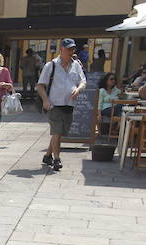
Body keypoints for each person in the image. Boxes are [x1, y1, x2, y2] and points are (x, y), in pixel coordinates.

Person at [37, 38, 86, 172]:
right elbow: (40, 86)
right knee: (57, 131)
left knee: (58, 133)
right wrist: (46, 100)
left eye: (73, 49)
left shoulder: (76, 65)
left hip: (69, 104)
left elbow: (83, 81)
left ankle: (47, 155)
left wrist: (78, 89)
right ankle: (57, 159)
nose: (71, 51)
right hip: (54, 104)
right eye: (69, 49)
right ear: (62, 49)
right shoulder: (51, 65)